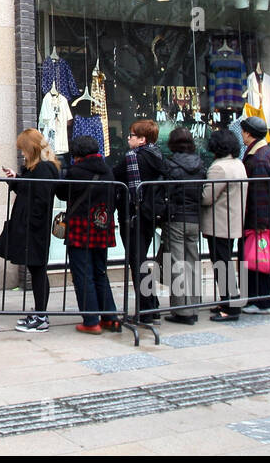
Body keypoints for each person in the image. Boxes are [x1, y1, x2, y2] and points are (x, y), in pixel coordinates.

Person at [0, 129, 59, 332]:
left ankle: (41, 316)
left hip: (34, 228)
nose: (22, 154)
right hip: (31, 226)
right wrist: (17, 179)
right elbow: (30, 191)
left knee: (38, 270)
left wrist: (29, 223)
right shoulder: (40, 168)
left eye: (23, 149)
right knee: (36, 270)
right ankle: (40, 313)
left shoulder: (44, 169)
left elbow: (40, 200)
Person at [56, 135, 119, 333]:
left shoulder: (76, 172)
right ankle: (110, 317)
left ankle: (91, 321)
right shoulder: (108, 170)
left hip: (80, 227)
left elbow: (62, 194)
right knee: (100, 272)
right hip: (102, 225)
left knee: (83, 275)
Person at [113, 119, 166, 315]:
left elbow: (114, 174)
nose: (128, 138)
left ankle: (147, 308)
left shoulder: (133, 158)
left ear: (142, 139)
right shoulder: (157, 155)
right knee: (141, 260)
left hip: (133, 214)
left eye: (132, 135)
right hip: (149, 214)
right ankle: (151, 304)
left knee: (137, 262)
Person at [201, 129, 248, 322]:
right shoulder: (238, 164)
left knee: (222, 263)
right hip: (233, 221)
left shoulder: (219, 168)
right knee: (226, 261)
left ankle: (230, 305)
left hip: (219, 223)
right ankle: (229, 301)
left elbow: (207, 197)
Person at [161, 127, 204, 324]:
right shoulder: (200, 164)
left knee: (177, 264)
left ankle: (182, 310)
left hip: (177, 217)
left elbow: (166, 189)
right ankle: (193, 306)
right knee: (192, 262)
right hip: (195, 217)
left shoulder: (170, 164)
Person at [239, 115, 270, 313]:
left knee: (259, 259)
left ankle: (261, 300)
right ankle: (258, 298)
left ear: (248, 133)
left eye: (243, 131)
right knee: (257, 257)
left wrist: (260, 222)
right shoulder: (263, 152)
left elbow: (261, 193)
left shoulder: (259, 157)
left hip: (259, 220)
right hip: (261, 218)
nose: (242, 135)